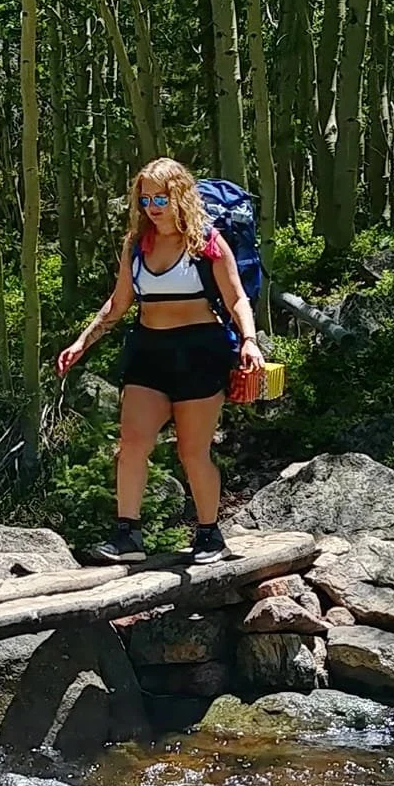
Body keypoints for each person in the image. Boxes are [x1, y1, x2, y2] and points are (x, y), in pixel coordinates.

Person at [55, 157, 264, 565]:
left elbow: (236, 297)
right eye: (146, 197)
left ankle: (209, 534)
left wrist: (250, 341)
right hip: (149, 351)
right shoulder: (137, 244)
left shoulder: (208, 242)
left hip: (200, 353)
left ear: (180, 196)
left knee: (192, 451)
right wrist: (83, 342)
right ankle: (127, 535)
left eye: (161, 197)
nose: (152, 206)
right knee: (131, 443)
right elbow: (118, 304)